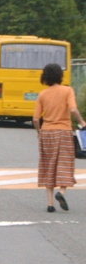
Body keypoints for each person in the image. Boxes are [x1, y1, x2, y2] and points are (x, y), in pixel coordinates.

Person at [33, 63, 86, 213]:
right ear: (60, 76)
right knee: (64, 164)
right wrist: (82, 122)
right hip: (63, 132)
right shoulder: (67, 90)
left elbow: (36, 119)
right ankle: (61, 192)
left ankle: (50, 204)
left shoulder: (43, 94)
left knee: (48, 165)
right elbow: (73, 108)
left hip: (47, 133)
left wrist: (39, 133)